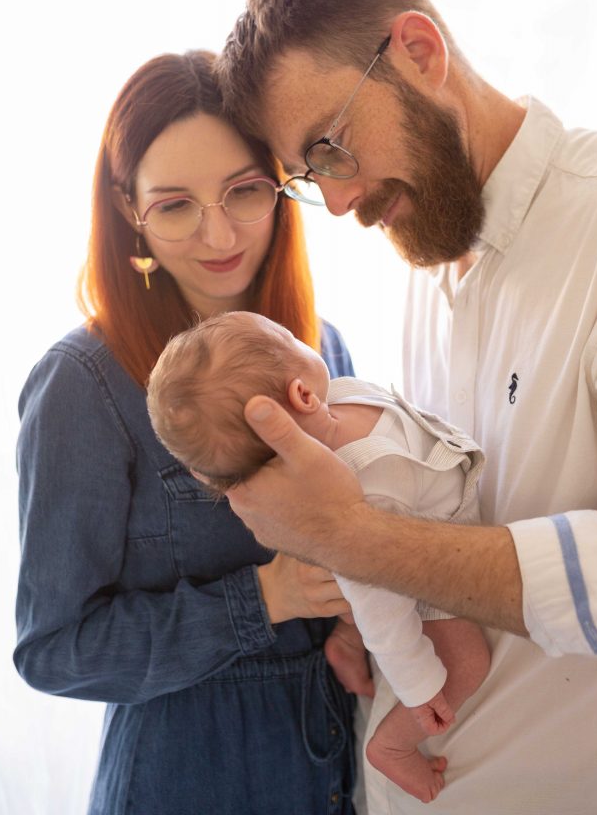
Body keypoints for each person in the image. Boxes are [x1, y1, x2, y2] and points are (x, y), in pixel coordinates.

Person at [216, 0, 597, 814]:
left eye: (330, 146)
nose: (339, 204)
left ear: (419, 51)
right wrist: (371, 611)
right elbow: (449, 522)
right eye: (311, 178)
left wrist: (352, 539)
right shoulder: (427, 263)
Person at [14, 50, 360, 815]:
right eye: (174, 205)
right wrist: (264, 596)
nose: (218, 234)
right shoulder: (85, 383)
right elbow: (53, 652)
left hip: (333, 759)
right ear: (127, 208)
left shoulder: (321, 346)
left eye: (243, 192)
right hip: (186, 775)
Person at [146, 310, 490, 804]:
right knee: (469, 660)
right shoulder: (365, 486)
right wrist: (418, 686)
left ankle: (344, 644)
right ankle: (393, 745)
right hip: (426, 577)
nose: (304, 336)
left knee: (351, 605)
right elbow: (383, 612)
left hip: (421, 528)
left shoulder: (343, 396)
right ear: (302, 395)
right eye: (289, 337)